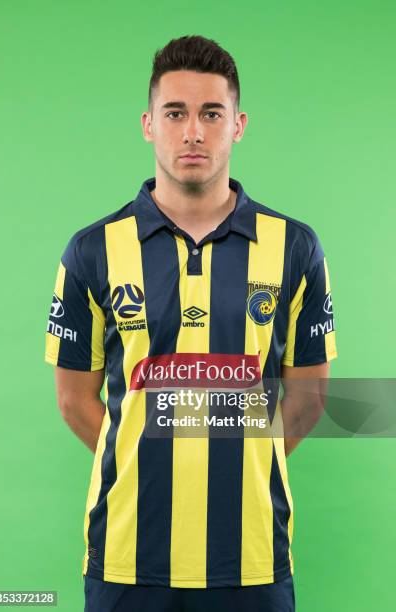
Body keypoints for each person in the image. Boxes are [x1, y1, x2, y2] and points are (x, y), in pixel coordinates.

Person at [44, 35, 337, 612]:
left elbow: (308, 398)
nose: (194, 131)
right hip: (128, 556)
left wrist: (236, 451)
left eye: (211, 113)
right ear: (149, 124)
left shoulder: (294, 248)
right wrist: (147, 453)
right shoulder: (92, 250)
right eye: (175, 113)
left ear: (239, 124)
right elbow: (76, 401)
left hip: (251, 556)